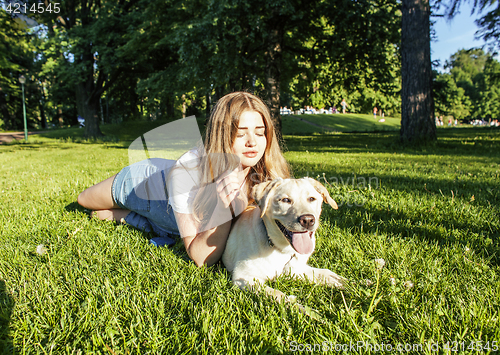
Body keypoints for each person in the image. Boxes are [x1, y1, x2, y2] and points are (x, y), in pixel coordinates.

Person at [77, 92, 291, 267]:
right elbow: (200, 257)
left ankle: (135, 219)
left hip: (173, 212)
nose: (253, 142)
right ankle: (135, 212)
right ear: (222, 134)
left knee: (170, 226)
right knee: (85, 201)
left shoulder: (268, 175)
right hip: (144, 183)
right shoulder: (188, 170)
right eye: (241, 133)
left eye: (260, 132)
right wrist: (223, 207)